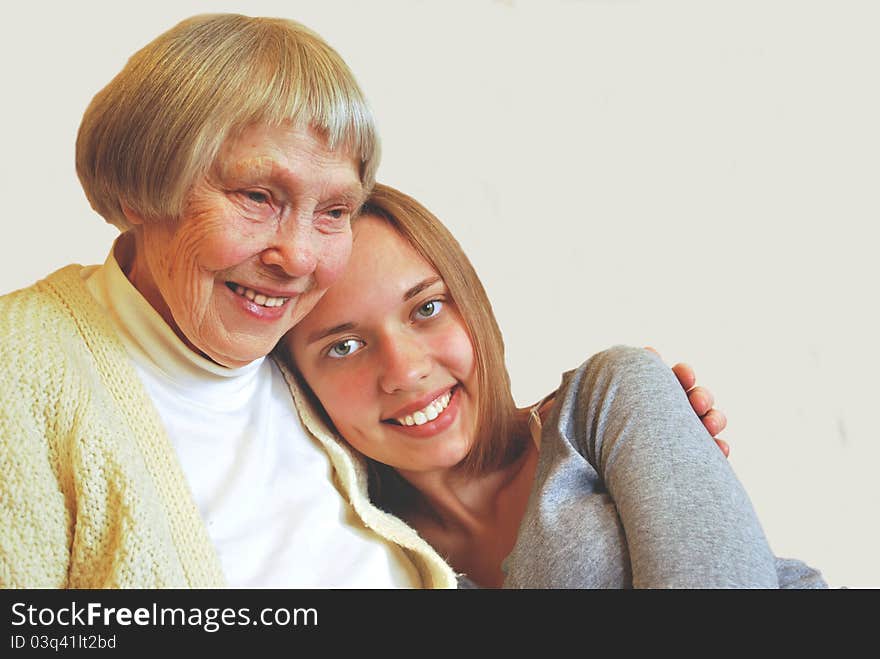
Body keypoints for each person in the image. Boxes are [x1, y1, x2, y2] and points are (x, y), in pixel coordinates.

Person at [0, 13, 725, 589]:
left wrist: (622, 436)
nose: (300, 258)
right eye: (258, 196)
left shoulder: (287, 371)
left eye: (333, 209)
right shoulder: (26, 368)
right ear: (137, 187)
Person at [285, 183, 827, 588]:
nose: (405, 371)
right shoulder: (358, 555)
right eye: (344, 346)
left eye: (427, 308)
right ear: (300, 387)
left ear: (473, 306)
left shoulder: (607, 399)